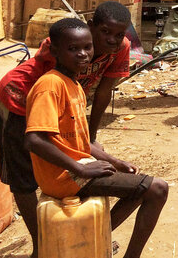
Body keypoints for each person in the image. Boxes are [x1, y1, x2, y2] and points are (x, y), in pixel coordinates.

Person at [24, 18, 168, 258]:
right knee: (157, 189)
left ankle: (88, 237)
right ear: (55, 50)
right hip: (62, 177)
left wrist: (115, 161)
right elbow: (34, 140)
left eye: (87, 47)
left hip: (76, 168)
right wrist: (79, 170)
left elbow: (80, 142)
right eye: (73, 49)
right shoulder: (50, 85)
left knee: (138, 185)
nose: (82, 54)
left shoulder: (74, 84)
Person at [0, 2, 132, 257]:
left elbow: (103, 92)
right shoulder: (61, 42)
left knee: (75, 167)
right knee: (23, 176)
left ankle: (84, 237)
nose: (112, 40)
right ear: (92, 27)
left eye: (119, 35)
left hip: (57, 106)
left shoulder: (120, 48)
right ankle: (44, 245)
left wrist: (90, 137)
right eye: (105, 33)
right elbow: (51, 86)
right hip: (18, 99)